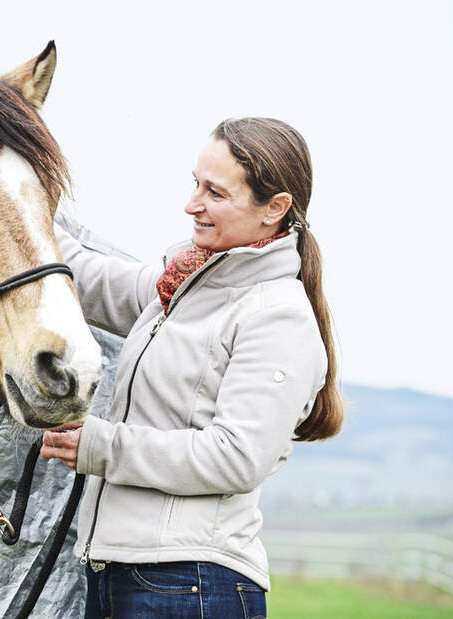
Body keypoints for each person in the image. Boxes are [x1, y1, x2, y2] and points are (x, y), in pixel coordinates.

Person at [41, 117, 344, 618]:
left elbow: (235, 457)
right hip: (126, 574)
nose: (192, 204)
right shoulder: (179, 289)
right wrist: (15, 202)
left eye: (215, 193)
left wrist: (102, 446)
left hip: (192, 582)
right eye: (196, 183)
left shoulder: (277, 316)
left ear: (275, 208)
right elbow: (89, 277)